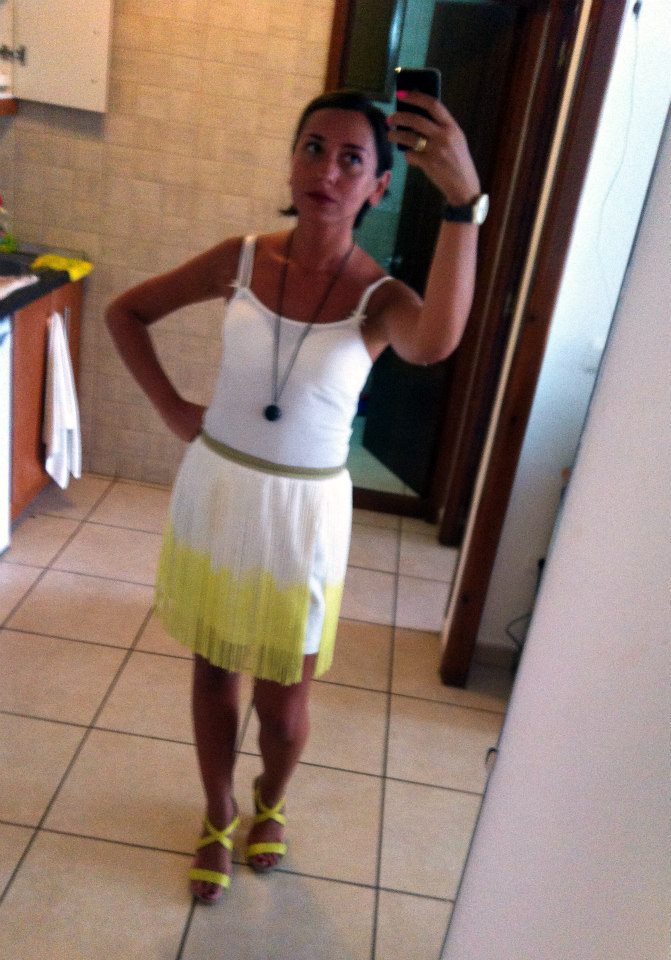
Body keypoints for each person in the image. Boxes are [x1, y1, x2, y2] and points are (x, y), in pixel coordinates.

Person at [106, 87, 484, 904]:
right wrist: (173, 409)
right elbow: (126, 312)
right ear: (290, 161)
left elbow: (434, 344)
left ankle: (269, 801)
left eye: (352, 159)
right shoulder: (240, 260)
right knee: (214, 675)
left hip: (303, 516)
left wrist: (463, 207)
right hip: (220, 492)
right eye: (313, 148)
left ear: (378, 187)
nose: (327, 171)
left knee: (283, 706)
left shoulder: (380, 299)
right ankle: (217, 810)